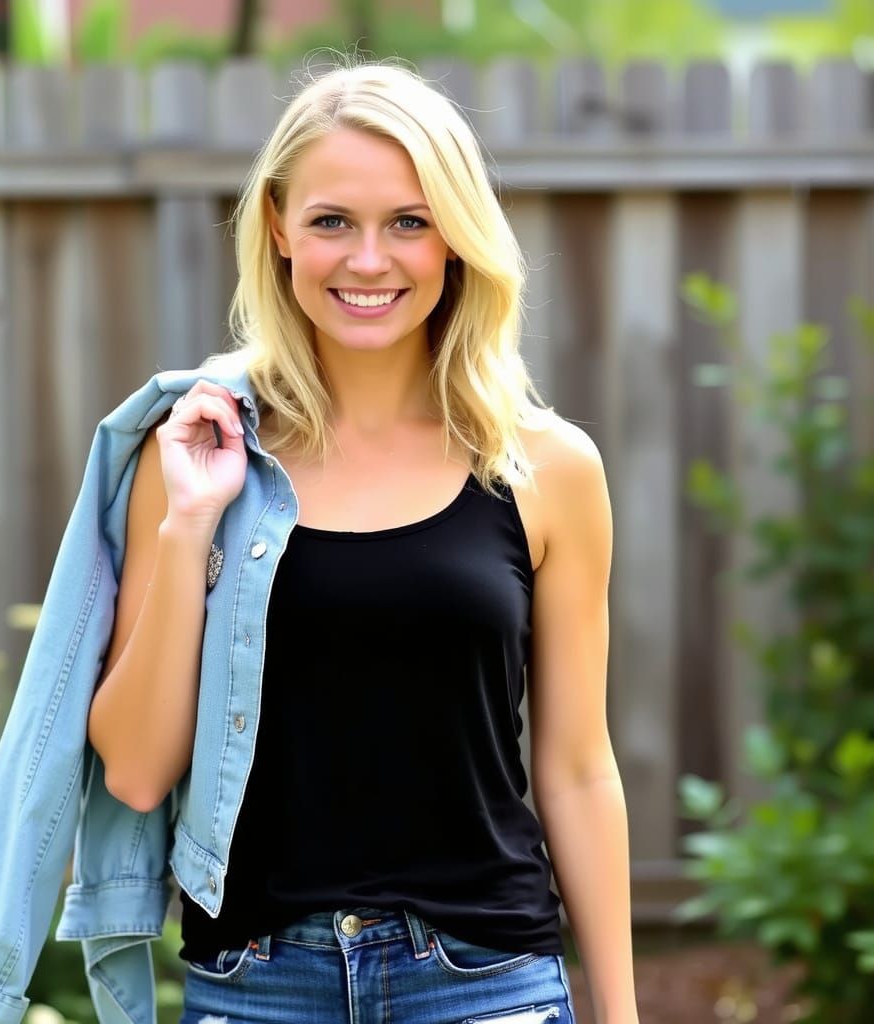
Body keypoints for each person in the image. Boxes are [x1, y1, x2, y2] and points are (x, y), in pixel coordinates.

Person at [87, 54, 637, 1024]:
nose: (370, 260)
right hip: (258, 983)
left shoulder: (546, 468)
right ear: (277, 228)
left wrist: (621, 1014)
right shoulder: (201, 455)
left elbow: (578, 765)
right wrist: (185, 527)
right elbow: (133, 768)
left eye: (409, 223)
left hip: (483, 981)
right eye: (333, 220)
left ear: (456, 241)